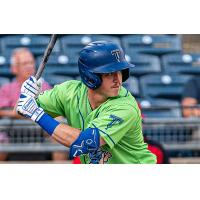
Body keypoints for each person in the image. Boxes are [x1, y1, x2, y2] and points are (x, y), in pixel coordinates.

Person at [16, 41, 157, 164]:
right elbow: (22, 109)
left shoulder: (125, 107)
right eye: (109, 73)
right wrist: (26, 95)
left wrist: (37, 113)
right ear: (90, 76)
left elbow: (84, 143)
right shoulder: (68, 92)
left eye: (119, 72)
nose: (117, 79)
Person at [0, 47, 67, 161]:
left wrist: (21, 112)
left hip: (40, 130)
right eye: (25, 63)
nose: (30, 66)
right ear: (14, 69)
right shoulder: (6, 89)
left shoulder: (44, 86)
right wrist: (16, 113)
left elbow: (55, 112)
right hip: (12, 132)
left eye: (31, 62)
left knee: (59, 135)